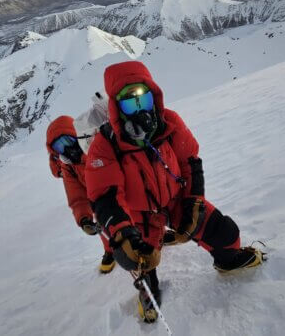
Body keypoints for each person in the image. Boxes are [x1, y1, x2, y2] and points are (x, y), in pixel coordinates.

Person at [85, 61, 263, 322]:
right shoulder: (104, 146)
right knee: (143, 259)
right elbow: (104, 196)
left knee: (226, 233)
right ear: (115, 108)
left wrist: (194, 202)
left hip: (177, 199)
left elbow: (191, 162)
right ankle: (148, 291)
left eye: (143, 100)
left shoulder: (169, 123)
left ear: (154, 97)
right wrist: (122, 233)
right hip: (139, 214)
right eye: (128, 104)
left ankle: (229, 261)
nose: (139, 111)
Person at [46, 115, 115, 274]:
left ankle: (153, 235)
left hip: (116, 188)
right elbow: (76, 196)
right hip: (96, 198)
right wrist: (84, 219)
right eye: (60, 146)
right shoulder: (67, 166)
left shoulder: (94, 146)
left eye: (68, 140)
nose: (67, 148)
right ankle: (110, 250)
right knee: (101, 220)